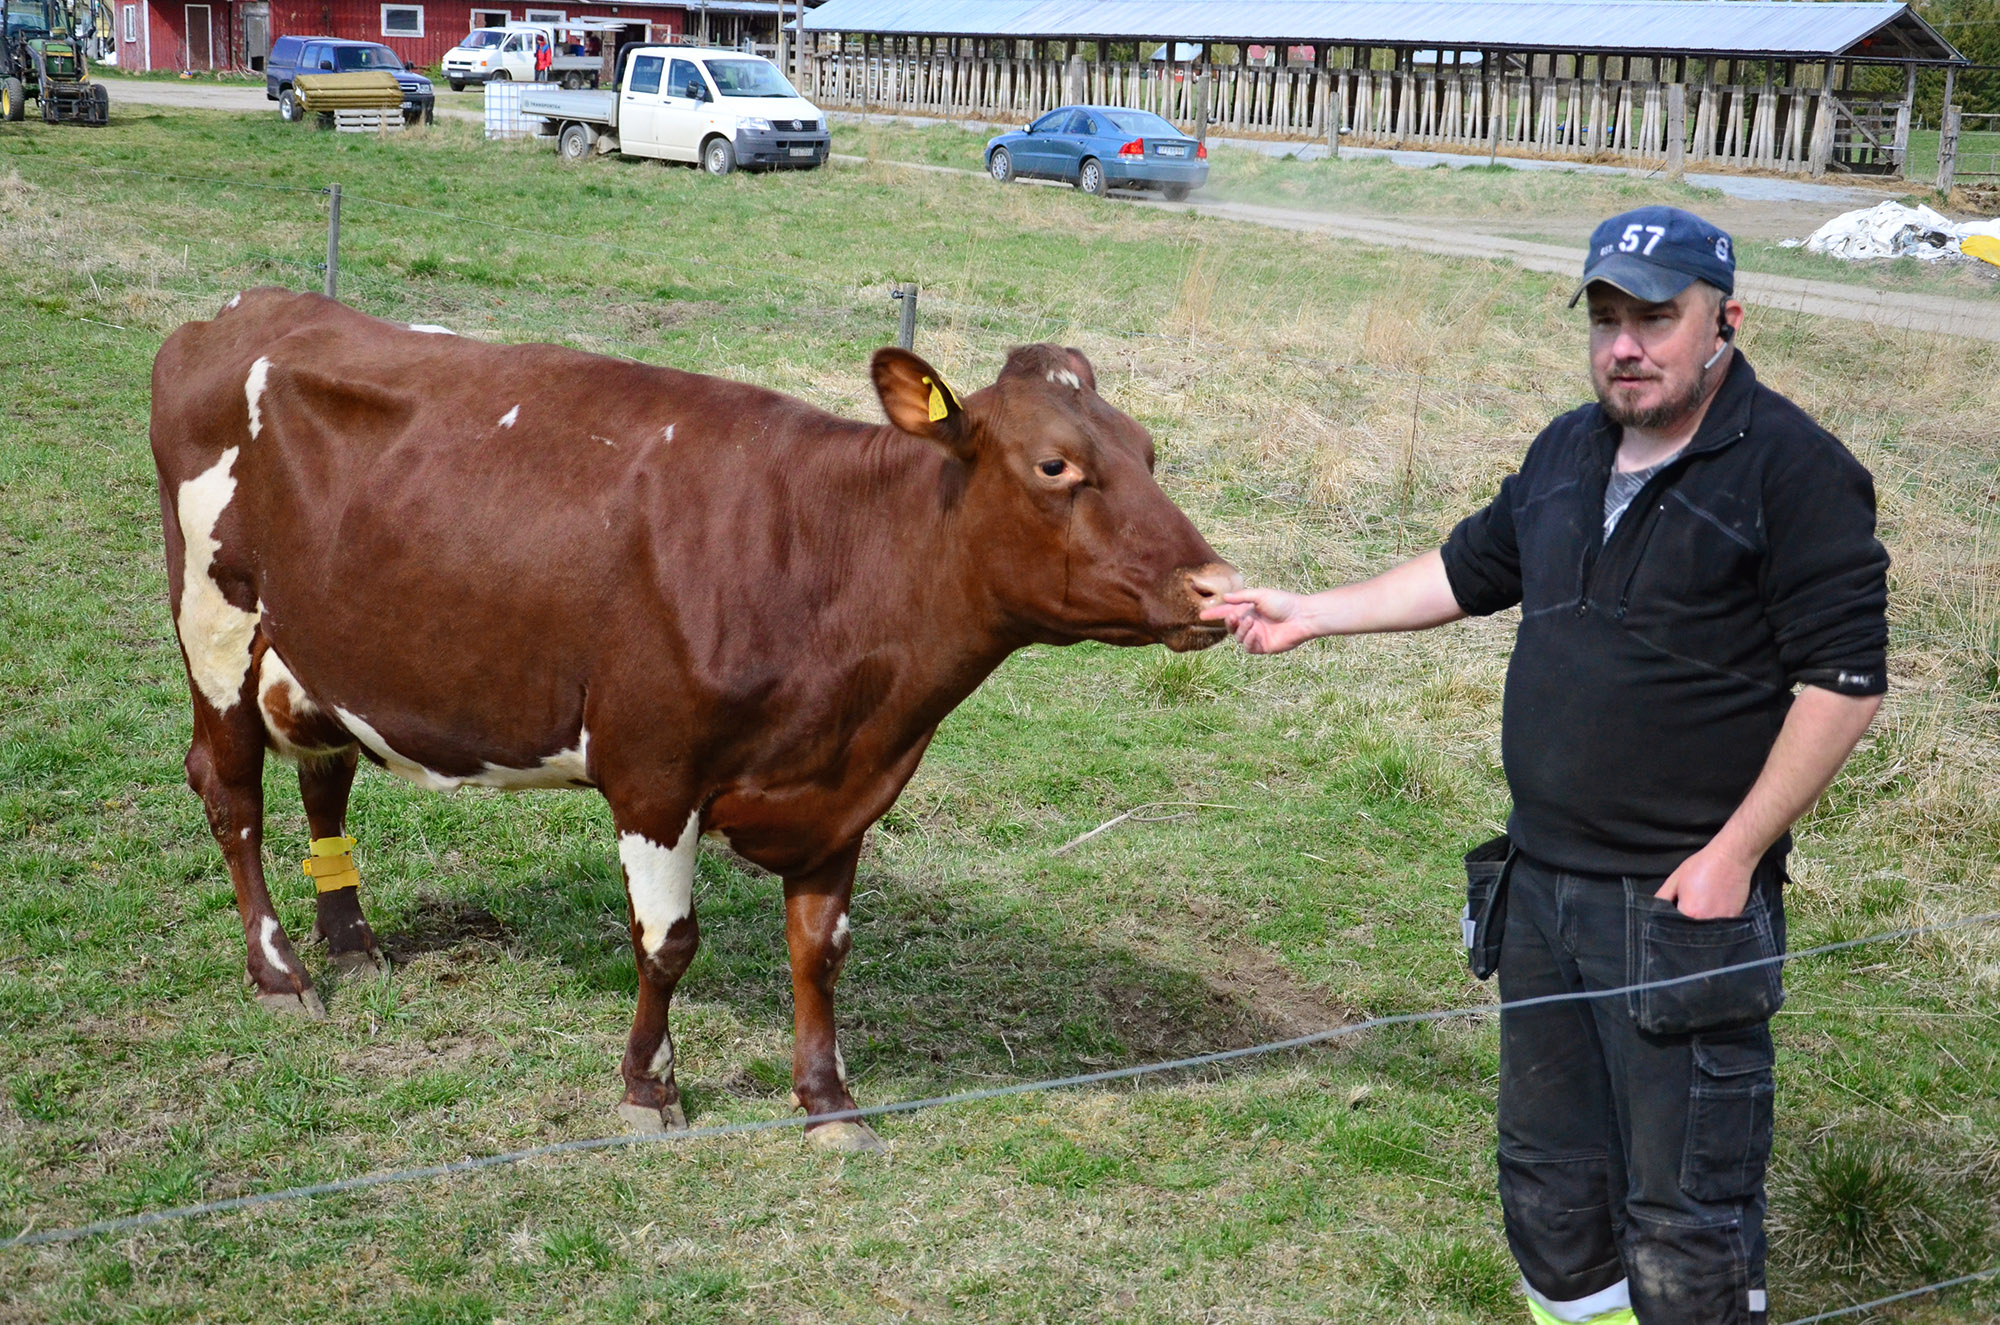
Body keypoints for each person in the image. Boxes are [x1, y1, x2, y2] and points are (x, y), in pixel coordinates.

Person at [1203, 206, 1888, 1324]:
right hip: (1539, 886)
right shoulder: (1566, 448)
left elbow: (1842, 684)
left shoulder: (1794, 470)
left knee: (1684, 1209)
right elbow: (1466, 570)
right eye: (1606, 317)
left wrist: (1733, 853)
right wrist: (1308, 614)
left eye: (1655, 318)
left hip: (1681, 904)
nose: (1625, 343)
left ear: (1723, 321)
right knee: (1548, 1185)